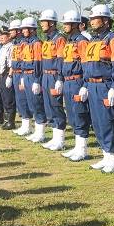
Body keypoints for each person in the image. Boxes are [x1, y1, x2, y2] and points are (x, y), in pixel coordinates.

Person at [83, 5, 114, 174]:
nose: (92, 21)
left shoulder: (113, 38)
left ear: (105, 21)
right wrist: (86, 84)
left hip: (106, 85)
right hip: (92, 84)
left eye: (95, 18)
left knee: (108, 121)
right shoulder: (94, 40)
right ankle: (105, 155)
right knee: (97, 121)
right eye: (91, 19)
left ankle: (113, 158)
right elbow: (87, 65)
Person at [59, 10, 92, 162]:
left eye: (67, 23)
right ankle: (77, 147)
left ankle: (83, 149)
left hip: (78, 81)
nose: (64, 26)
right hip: (68, 81)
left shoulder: (82, 41)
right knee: (72, 115)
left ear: (75, 25)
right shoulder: (69, 41)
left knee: (80, 114)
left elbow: (86, 64)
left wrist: (85, 84)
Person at [39, 9, 68, 151]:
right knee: (49, 107)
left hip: (54, 76)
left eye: (43, 22)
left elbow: (61, 59)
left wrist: (59, 78)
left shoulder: (59, 39)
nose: (42, 24)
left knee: (56, 106)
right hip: (46, 75)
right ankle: (55, 137)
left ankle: (61, 140)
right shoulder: (48, 39)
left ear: (51, 23)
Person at [17, 17, 47, 143]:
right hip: (27, 75)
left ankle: (40, 132)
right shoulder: (26, 43)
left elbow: (38, 63)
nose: (23, 31)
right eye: (23, 28)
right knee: (31, 104)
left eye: (26, 28)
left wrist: (37, 80)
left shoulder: (36, 43)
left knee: (37, 104)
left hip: (34, 76)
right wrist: (23, 76)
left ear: (32, 29)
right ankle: (36, 130)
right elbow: (24, 61)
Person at [0, 26, 16, 130]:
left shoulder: (11, 47)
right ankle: (7, 120)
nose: (1, 37)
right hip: (0, 76)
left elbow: (11, 63)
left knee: (9, 100)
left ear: (9, 36)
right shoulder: (2, 47)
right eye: (0, 35)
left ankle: (11, 122)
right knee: (4, 99)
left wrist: (10, 76)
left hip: (6, 75)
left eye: (3, 35)